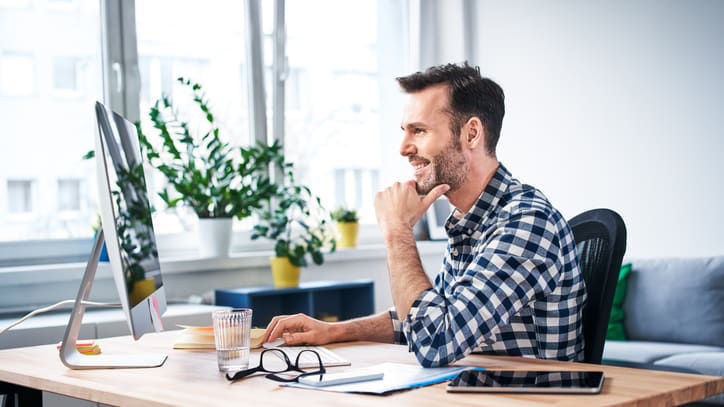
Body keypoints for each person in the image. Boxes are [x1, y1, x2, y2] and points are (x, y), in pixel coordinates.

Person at [260, 62, 586, 368]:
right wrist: (334, 332)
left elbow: (436, 341)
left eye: (418, 131)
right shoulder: (471, 222)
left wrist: (397, 229)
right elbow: (427, 321)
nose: (403, 147)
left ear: (471, 134)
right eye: (405, 130)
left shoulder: (525, 224)